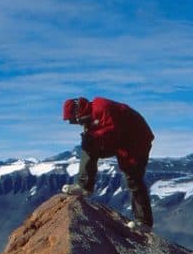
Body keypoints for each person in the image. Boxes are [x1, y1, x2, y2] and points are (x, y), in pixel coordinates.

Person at [62, 96, 154, 229]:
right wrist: (91, 137)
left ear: (77, 112)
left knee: (134, 178)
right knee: (89, 146)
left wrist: (93, 136)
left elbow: (113, 129)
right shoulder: (90, 118)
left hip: (137, 141)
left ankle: (144, 222)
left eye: (73, 120)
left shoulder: (101, 106)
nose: (76, 123)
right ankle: (84, 186)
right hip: (122, 142)